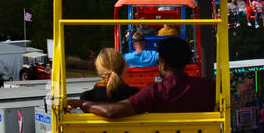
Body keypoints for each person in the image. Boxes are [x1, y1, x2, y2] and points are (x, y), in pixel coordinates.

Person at [80, 35, 213, 117]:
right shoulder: (208, 86)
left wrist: (85, 104)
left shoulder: (155, 92)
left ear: (164, 65)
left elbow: (112, 112)